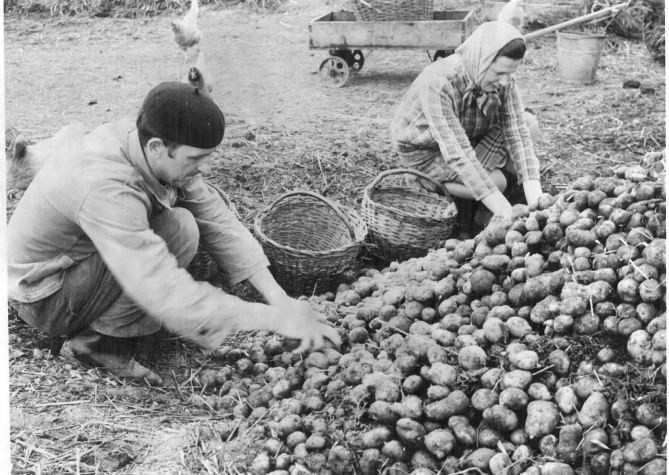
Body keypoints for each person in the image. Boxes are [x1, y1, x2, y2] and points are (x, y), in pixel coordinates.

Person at [7, 81, 340, 385]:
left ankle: (106, 330)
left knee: (183, 225)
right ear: (156, 147)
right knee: (173, 235)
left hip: (76, 262)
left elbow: (217, 220)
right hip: (45, 293)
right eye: (196, 158)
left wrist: (279, 299)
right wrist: (272, 319)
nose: (205, 168)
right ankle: (96, 345)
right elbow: (162, 289)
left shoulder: (148, 143)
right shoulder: (106, 188)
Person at [391, 21, 542, 229]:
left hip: (467, 135)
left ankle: (487, 207)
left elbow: (518, 135)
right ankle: (430, 184)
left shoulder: (502, 80)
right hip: (429, 151)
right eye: (499, 73)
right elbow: (457, 152)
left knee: (528, 123)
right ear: (481, 60)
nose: (506, 82)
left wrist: (539, 205)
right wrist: (506, 212)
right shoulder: (439, 82)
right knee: (498, 181)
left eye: (510, 73)